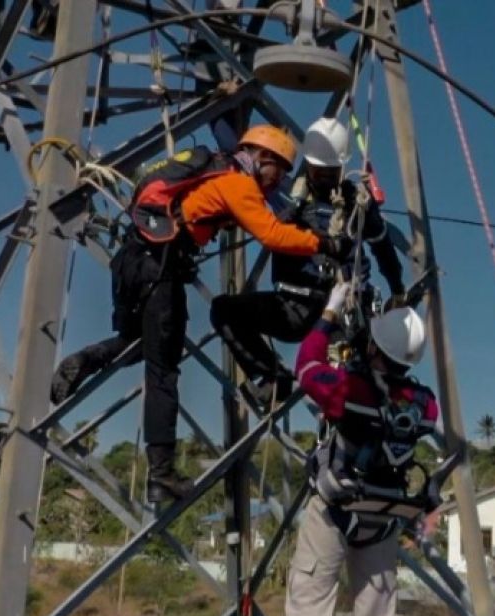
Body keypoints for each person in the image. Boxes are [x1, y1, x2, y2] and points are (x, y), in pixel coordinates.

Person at [50, 125, 352, 505]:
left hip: (132, 263)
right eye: (279, 171)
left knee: (137, 345)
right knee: (163, 371)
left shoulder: (217, 176)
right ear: (263, 158)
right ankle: (161, 476)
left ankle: (83, 361)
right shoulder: (238, 184)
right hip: (158, 269)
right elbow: (274, 235)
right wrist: (324, 242)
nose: (279, 182)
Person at [275, 282, 437, 616]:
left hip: (336, 508)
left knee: (309, 601)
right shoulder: (424, 403)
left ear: (374, 344)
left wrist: (327, 313)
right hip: (382, 516)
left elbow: (306, 367)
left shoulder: (350, 390)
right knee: (376, 612)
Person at [209, 117, 405, 409]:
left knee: (353, 397)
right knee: (224, 310)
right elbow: (263, 222)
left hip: (344, 315)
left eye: (329, 171)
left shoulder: (357, 204)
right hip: (295, 306)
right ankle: (272, 379)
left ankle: (361, 428)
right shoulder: (291, 202)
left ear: (340, 167)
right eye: (319, 170)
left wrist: (397, 289)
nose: (324, 176)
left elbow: (382, 247)